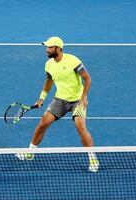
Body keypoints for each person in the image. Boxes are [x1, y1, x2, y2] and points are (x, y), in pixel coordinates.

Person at [16, 36, 99, 172]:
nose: (47, 50)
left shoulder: (73, 61)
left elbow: (87, 79)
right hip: (60, 100)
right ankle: (29, 153)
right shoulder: (48, 64)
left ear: (58, 48)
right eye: (47, 47)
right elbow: (49, 82)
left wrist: (83, 98)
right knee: (43, 122)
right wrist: (41, 98)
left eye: (50, 47)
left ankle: (93, 158)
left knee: (80, 127)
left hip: (77, 101)